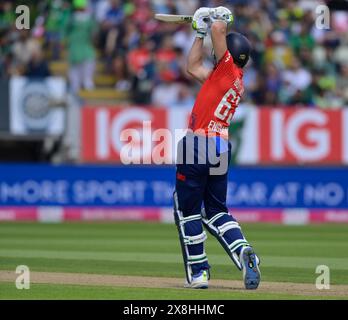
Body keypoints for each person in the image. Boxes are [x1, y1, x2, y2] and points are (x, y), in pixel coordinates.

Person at [173, 6, 261, 290]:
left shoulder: (226, 68)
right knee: (216, 211)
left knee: (186, 210)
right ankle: (243, 250)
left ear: (229, 54)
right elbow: (192, 67)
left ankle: (199, 274)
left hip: (197, 144)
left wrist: (214, 16)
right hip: (220, 147)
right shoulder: (233, 81)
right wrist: (199, 32)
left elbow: (219, 29)